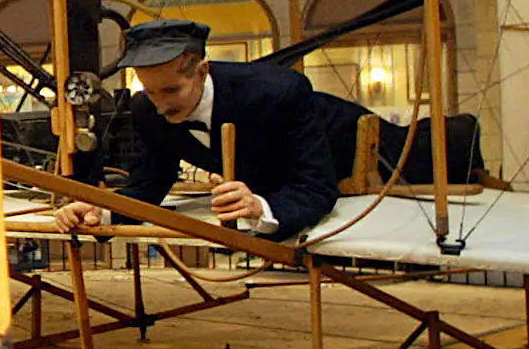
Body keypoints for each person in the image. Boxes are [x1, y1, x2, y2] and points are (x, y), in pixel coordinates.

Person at [55, 19, 366, 238]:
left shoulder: (279, 92)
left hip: (360, 152)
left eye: (172, 91)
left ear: (202, 71)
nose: (161, 106)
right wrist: (103, 210)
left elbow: (315, 185)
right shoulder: (146, 109)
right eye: (151, 92)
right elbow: (149, 183)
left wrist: (263, 208)